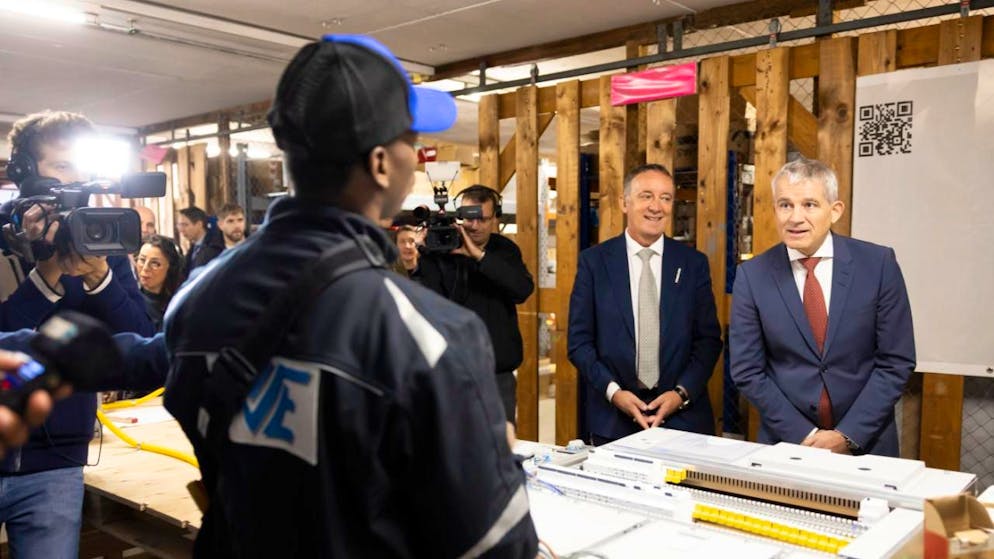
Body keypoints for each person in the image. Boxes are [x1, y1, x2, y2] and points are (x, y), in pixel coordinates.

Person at [162, 35, 537, 557]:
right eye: (411, 140)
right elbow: (496, 547)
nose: (416, 157)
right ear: (382, 163)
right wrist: (500, 461)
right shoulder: (428, 335)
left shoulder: (195, 298)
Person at [0, 110, 154, 558]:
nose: (77, 180)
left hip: (58, 463)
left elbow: (139, 345)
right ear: (24, 172)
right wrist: (46, 279)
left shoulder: (101, 240)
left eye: (83, 169)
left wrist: (100, 279)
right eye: (62, 167)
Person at [729, 157, 915, 457]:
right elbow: (747, 370)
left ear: (835, 210)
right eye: (785, 205)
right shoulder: (752, 276)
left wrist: (848, 435)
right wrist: (806, 435)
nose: (795, 217)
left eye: (810, 205)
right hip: (787, 442)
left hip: (868, 443)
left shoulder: (877, 265)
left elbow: (896, 361)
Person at [568, 164, 722, 446]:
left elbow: (709, 340)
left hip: (684, 420)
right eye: (646, 196)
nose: (656, 206)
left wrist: (681, 394)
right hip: (613, 419)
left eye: (665, 198)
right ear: (624, 203)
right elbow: (579, 343)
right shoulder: (594, 263)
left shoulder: (692, 264)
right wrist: (614, 393)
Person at [417, 185, 534, 424]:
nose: (475, 225)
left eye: (483, 219)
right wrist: (423, 257)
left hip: (497, 375)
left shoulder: (504, 250)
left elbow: (522, 289)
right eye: (469, 217)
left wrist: (480, 257)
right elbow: (428, 305)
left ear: (495, 219)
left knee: (501, 448)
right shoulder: (441, 249)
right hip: (452, 373)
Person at [135, 235, 184, 330]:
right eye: (142, 260)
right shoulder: (131, 303)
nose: (145, 268)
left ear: (170, 268)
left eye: (155, 263)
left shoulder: (180, 302)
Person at [177, 206, 224, 272]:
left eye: (185, 225)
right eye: (179, 225)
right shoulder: (194, 247)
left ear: (199, 224)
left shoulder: (214, 248)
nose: (181, 230)